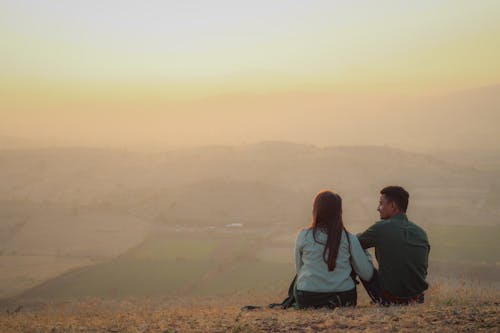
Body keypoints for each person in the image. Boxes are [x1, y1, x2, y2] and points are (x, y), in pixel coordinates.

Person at [294, 190, 374, 309]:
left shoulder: (303, 236)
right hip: (342, 298)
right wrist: (365, 254)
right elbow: (367, 275)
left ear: (315, 211)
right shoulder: (349, 238)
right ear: (339, 213)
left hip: (308, 298)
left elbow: (299, 270)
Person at [357, 186, 430, 305]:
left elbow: (355, 245)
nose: (378, 208)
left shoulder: (381, 228)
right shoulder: (421, 233)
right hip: (416, 297)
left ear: (393, 206)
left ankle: (342, 293)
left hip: (389, 297)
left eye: (381, 204)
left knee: (354, 249)